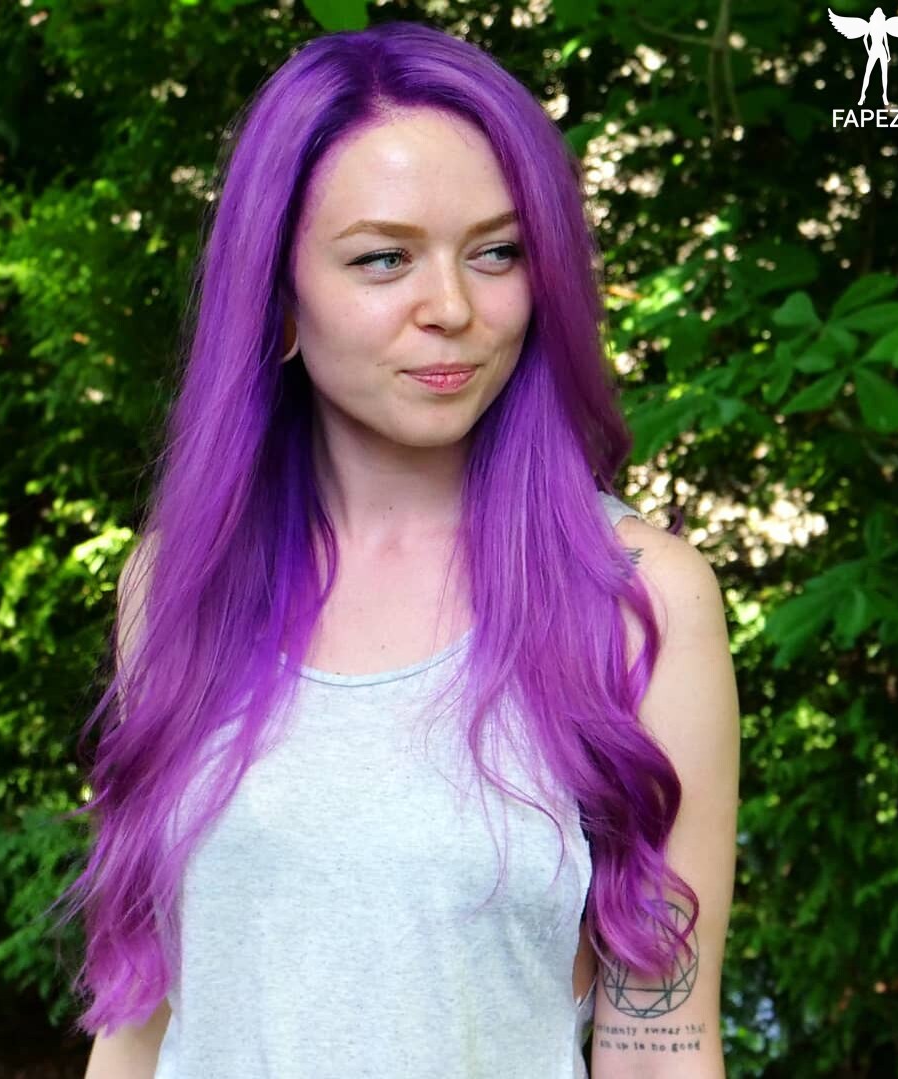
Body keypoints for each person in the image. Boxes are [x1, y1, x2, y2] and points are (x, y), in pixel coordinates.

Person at [54, 19, 740, 1079]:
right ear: (278, 298)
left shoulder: (637, 598)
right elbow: (143, 1014)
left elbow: (660, 1047)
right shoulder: (176, 584)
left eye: (497, 252)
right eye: (384, 258)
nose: (453, 308)